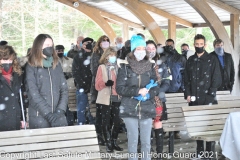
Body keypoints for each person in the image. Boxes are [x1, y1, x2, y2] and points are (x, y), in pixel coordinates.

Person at [116, 35, 159, 160]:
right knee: (133, 141)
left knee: (146, 142)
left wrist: (150, 94)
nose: (141, 51)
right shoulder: (125, 67)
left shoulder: (150, 66)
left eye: (143, 48)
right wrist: (137, 91)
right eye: (138, 48)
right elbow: (120, 88)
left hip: (146, 108)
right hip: (129, 108)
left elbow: (156, 85)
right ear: (133, 50)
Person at [184, 34, 222, 156]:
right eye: (197, 44)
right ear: (194, 45)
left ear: (205, 45)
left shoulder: (212, 59)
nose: (199, 46)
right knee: (197, 126)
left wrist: (211, 92)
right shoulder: (190, 60)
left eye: (201, 44)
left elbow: (217, 78)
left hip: (208, 98)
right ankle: (199, 152)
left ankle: (209, 153)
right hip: (194, 98)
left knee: (209, 126)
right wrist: (188, 94)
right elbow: (186, 79)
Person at [26, 34, 68, 129]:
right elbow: (33, 93)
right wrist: (48, 114)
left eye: (51, 45)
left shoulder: (56, 65)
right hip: (39, 117)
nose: (49, 47)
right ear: (39, 46)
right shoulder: (31, 66)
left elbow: (64, 89)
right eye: (46, 45)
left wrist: (60, 111)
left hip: (59, 117)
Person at [95, 47, 123, 152]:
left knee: (117, 122)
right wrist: (106, 83)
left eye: (114, 55)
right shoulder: (101, 67)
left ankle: (114, 140)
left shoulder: (118, 67)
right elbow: (97, 85)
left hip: (116, 97)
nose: (113, 57)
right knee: (105, 121)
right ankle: (108, 143)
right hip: (105, 98)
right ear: (106, 56)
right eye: (110, 55)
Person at [146, 40, 170, 158]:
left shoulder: (161, 65)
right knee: (146, 125)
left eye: (153, 48)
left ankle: (159, 153)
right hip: (145, 99)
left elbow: (166, 82)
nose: (151, 51)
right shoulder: (141, 64)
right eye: (148, 48)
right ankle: (147, 151)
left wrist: (159, 92)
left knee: (158, 125)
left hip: (159, 99)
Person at [164, 39, 186, 139]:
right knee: (165, 110)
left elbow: (184, 73)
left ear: (174, 45)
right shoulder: (162, 56)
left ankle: (176, 131)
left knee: (176, 110)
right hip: (164, 88)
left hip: (176, 87)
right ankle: (164, 129)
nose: (169, 47)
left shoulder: (179, 57)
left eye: (171, 45)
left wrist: (182, 86)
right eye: (167, 45)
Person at [90, 35, 110, 145]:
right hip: (99, 87)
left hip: (110, 87)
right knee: (100, 113)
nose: (106, 43)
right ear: (100, 43)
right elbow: (93, 70)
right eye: (104, 41)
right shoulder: (95, 55)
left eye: (107, 41)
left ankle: (107, 135)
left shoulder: (111, 54)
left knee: (108, 114)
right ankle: (100, 135)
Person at [72, 37, 94, 125]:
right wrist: (83, 85)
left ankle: (95, 129)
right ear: (82, 45)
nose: (88, 45)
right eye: (86, 43)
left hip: (94, 88)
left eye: (90, 43)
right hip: (82, 88)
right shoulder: (78, 56)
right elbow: (75, 72)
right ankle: (81, 127)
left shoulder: (95, 55)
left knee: (93, 110)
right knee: (81, 110)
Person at [0, 45, 22, 131]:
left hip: (14, 117)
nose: (8, 62)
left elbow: (19, 98)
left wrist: (21, 118)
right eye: (5, 59)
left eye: (10, 59)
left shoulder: (18, 74)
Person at [55, 45, 75, 125]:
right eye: (58, 50)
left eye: (61, 50)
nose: (60, 52)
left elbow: (75, 71)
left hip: (69, 85)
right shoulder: (52, 61)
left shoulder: (70, 60)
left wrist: (68, 74)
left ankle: (70, 122)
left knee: (70, 105)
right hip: (57, 87)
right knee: (60, 105)